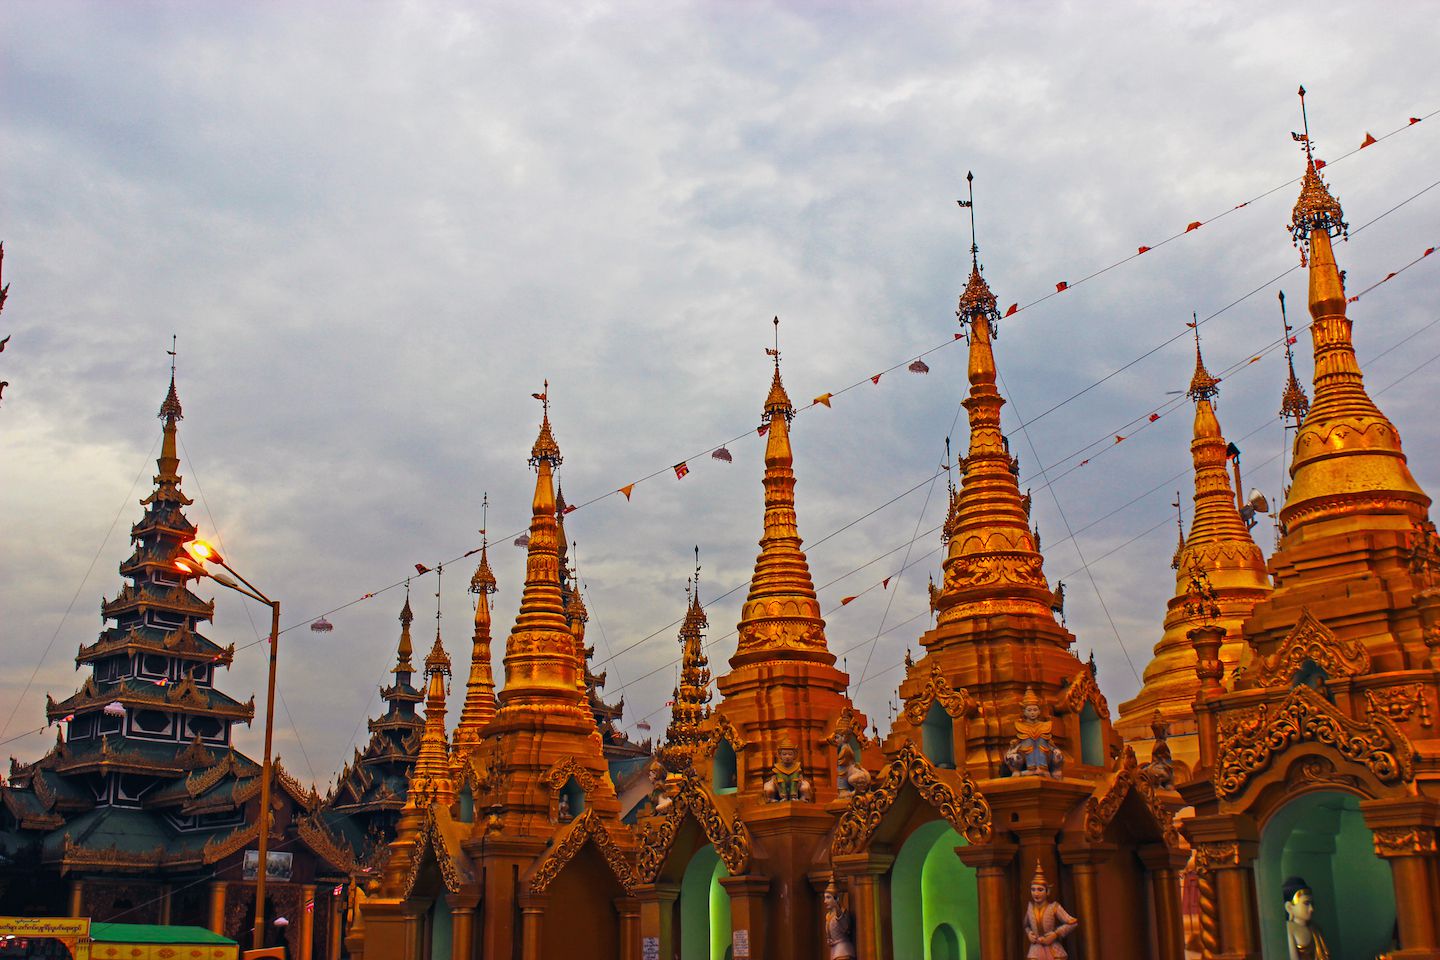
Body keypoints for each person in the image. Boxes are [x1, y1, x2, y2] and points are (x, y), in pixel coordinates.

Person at [1023, 861, 1078, 959]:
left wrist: (1056, 934)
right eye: (1033, 889)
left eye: (1040, 890)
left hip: (1053, 948)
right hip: (1035, 950)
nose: (1036, 893)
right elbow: (1026, 925)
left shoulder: (1054, 907)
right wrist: (1029, 934)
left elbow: (1073, 923)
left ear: (1047, 891)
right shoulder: (1030, 907)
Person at [1281, 876, 1332, 960]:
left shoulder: (1316, 929)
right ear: (1289, 907)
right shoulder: (1289, 928)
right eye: (1306, 903)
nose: (1312, 909)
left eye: (1312, 904)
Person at [822, 876, 856, 960]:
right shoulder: (829, 915)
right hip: (835, 950)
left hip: (843, 950)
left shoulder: (841, 913)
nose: (825, 901)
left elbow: (844, 925)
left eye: (828, 897)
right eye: (825, 897)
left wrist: (837, 905)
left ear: (836, 898)